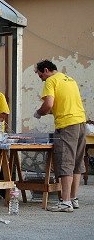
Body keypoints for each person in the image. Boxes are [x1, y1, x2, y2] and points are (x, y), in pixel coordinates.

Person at [34, 59, 86, 212]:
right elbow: (62, 103)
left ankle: (65, 202)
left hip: (67, 125)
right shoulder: (69, 79)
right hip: (80, 122)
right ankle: (73, 198)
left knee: (65, 162)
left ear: (45, 70)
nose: (41, 79)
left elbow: (49, 104)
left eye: (40, 75)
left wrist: (39, 112)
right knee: (77, 162)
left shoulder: (50, 80)